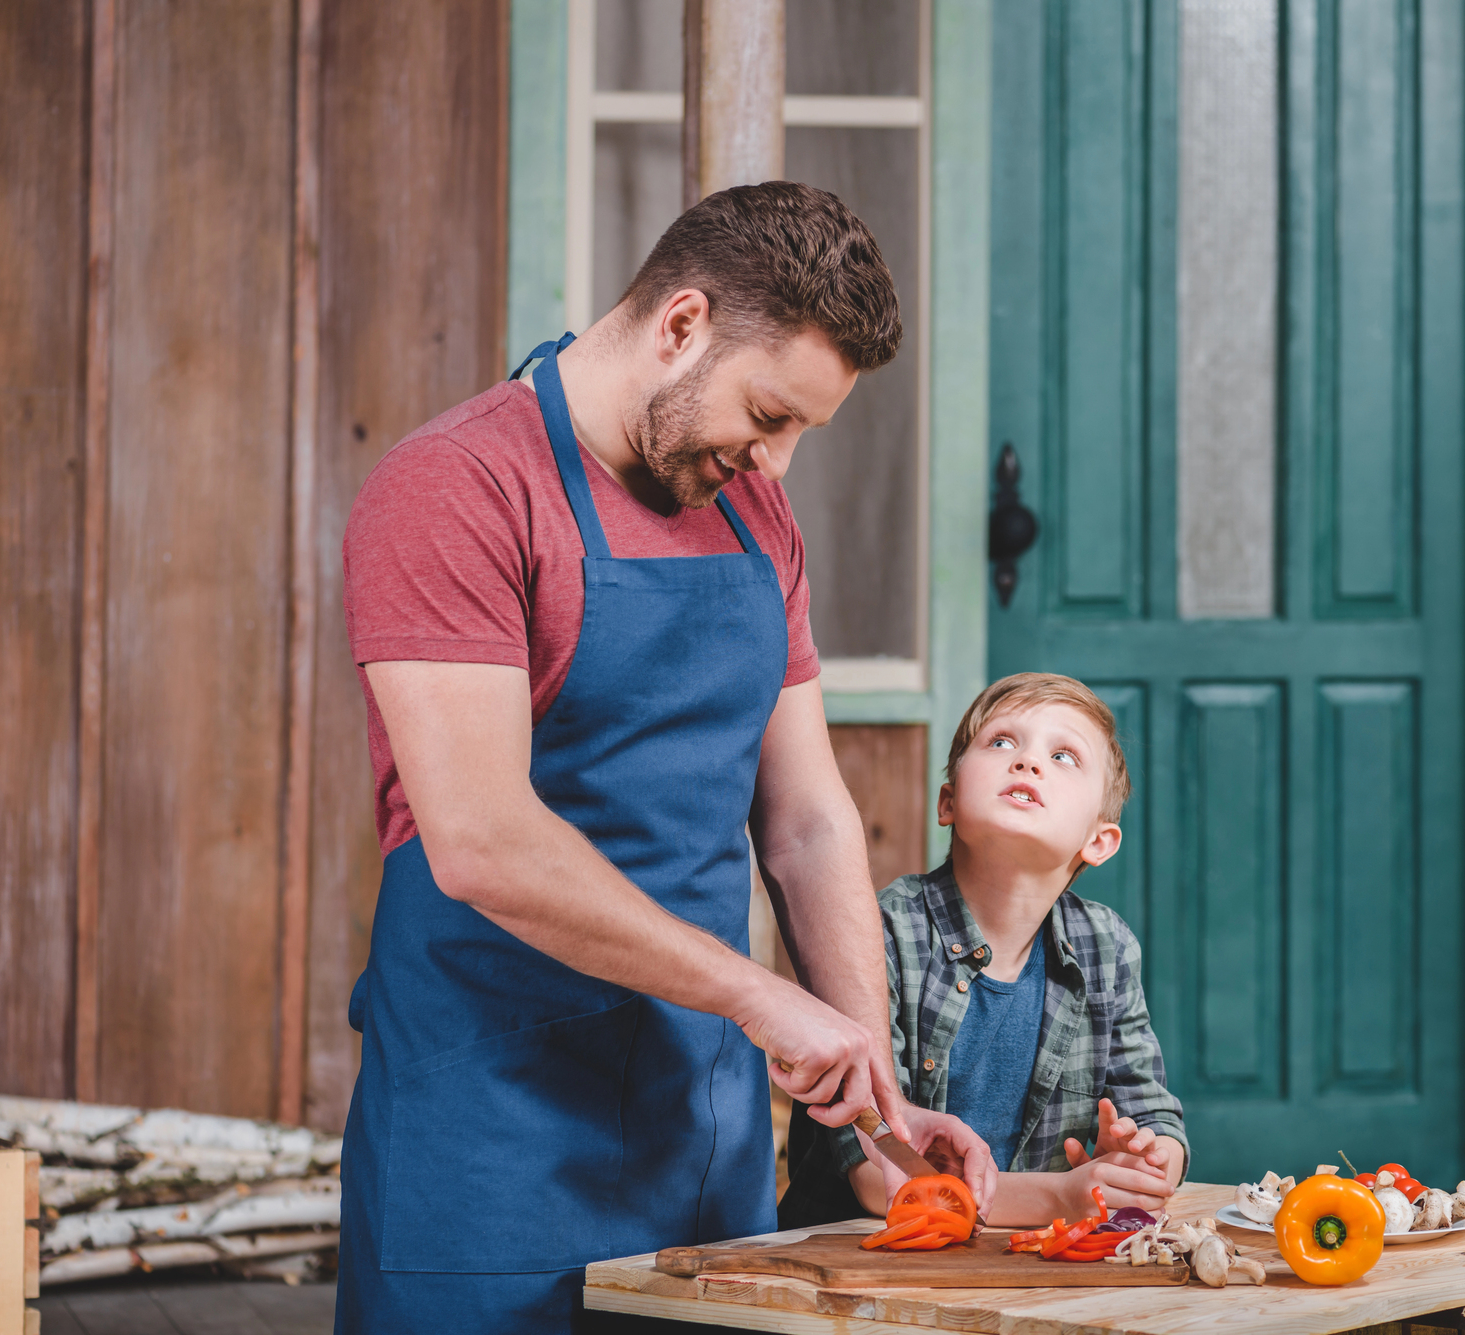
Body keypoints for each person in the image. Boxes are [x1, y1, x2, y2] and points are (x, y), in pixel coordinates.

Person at [334, 182, 994, 1334]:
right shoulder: (457, 487)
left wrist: (872, 1117)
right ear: (679, 325)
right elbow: (483, 840)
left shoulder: (751, 514)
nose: (778, 463)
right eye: (767, 414)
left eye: (801, 432)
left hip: (703, 1139)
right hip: (487, 1138)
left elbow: (804, 822)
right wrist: (757, 997)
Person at [779, 673, 1187, 1228]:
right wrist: (1060, 1197)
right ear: (948, 801)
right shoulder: (878, 932)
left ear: (1099, 840)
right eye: (1001, 743)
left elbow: (1155, 1113)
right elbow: (878, 1176)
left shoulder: (1107, 948)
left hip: (1021, 1275)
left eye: (1064, 756)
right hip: (857, 1270)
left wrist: (1147, 1158)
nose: (1027, 762)